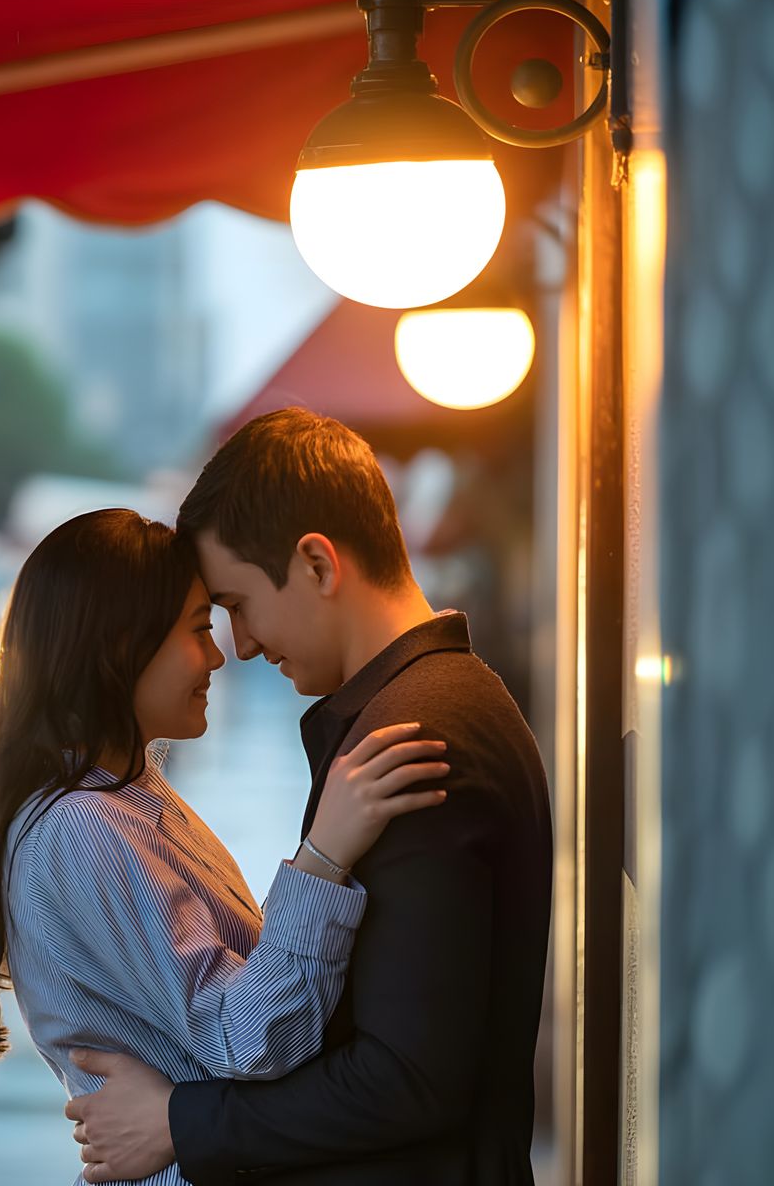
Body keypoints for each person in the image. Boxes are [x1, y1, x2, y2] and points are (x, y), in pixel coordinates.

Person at [64, 410, 553, 1186]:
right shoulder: (421, 707)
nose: (243, 644)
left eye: (236, 602)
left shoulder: (414, 734)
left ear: (318, 564)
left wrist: (179, 1122)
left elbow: (407, 1080)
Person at [0, 507, 450, 1185]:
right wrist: (324, 857)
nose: (219, 654)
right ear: (120, 646)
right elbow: (247, 1036)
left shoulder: (122, 792)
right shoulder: (79, 825)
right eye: (201, 628)